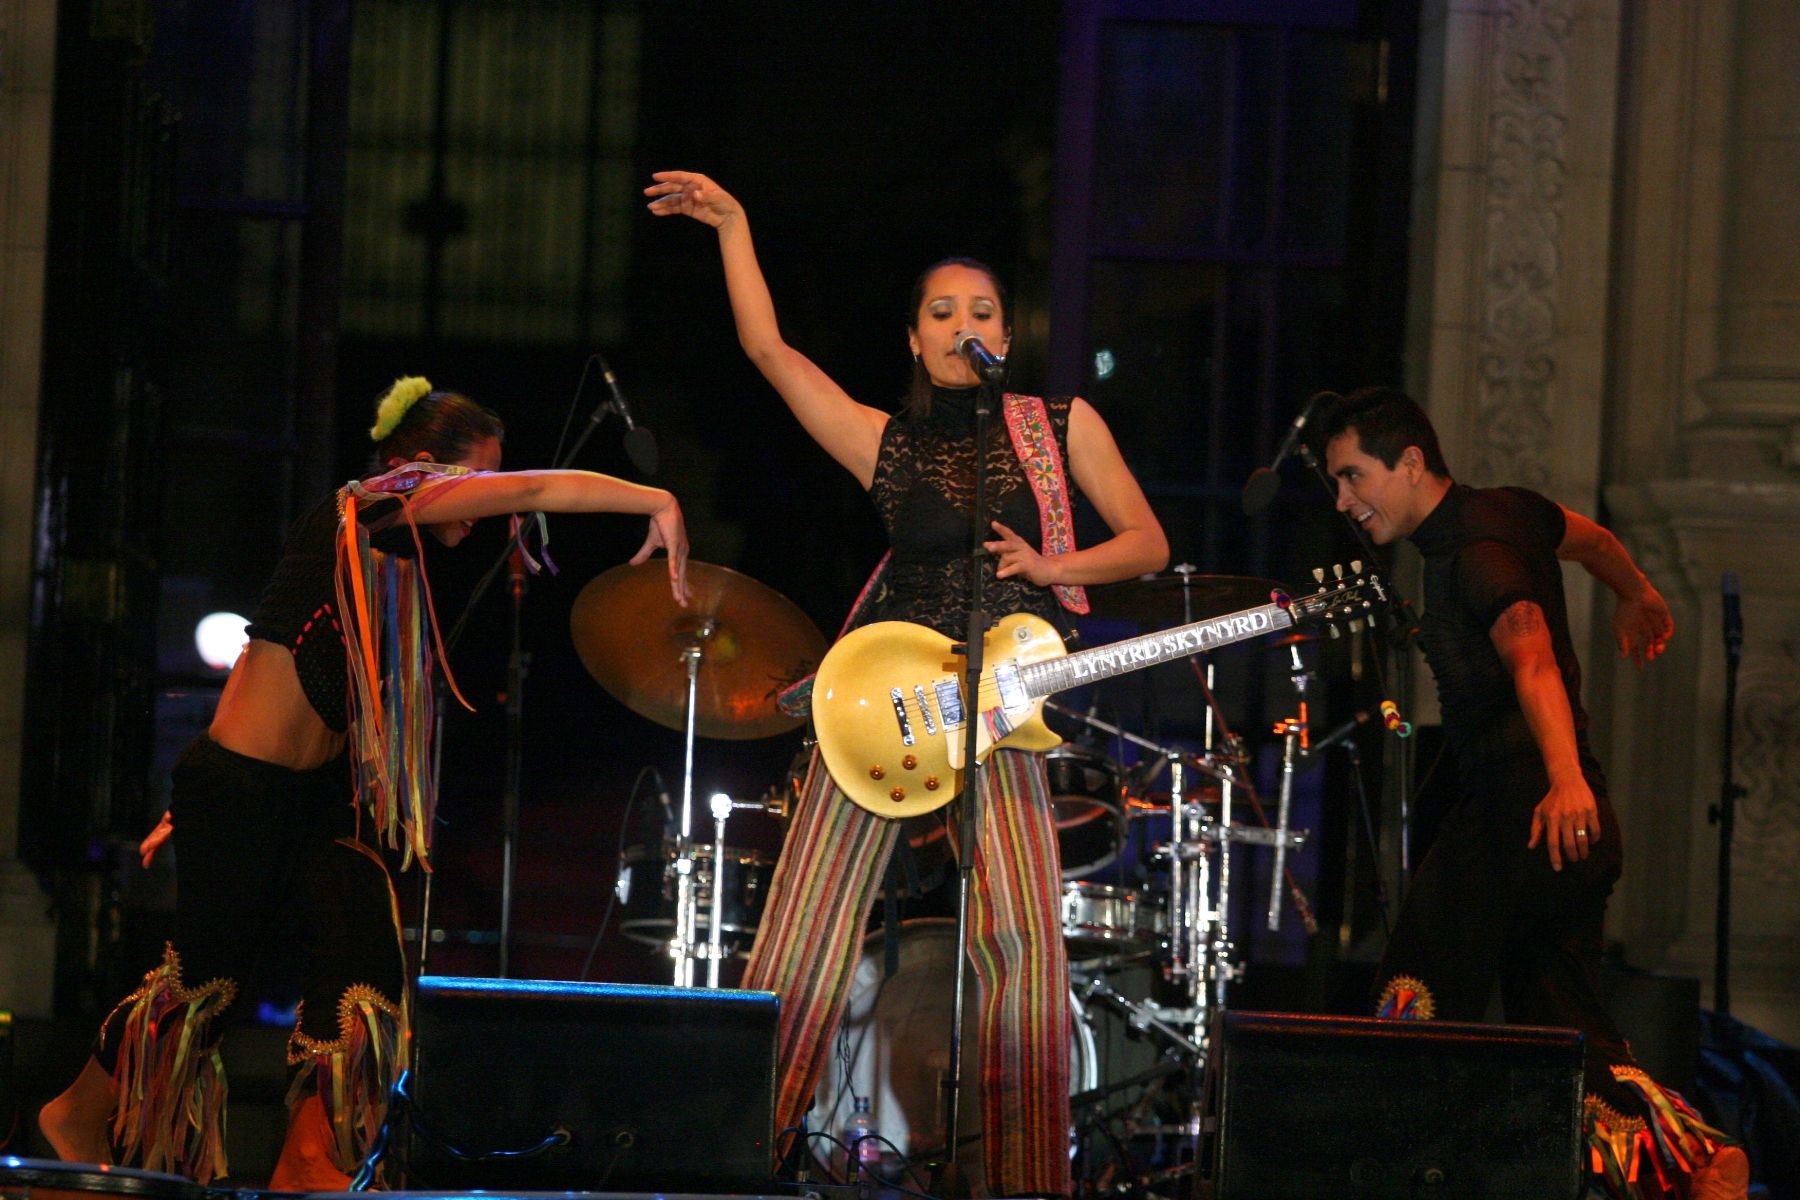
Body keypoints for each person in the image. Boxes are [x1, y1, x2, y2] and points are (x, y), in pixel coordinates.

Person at [647, 169, 1168, 1196]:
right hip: (885, 701)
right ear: (916, 339)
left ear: (1004, 338)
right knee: (804, 930)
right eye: (942, 312)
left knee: (1019, 943)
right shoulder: (883, 442)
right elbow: (770, 353)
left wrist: (1056, 568)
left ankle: (1021, 1178)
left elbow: (1147, 543)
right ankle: (733, 1158)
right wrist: (736, 225)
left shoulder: (1061, 429)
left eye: (981, 311)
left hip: (1002, 711)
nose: (962, 324)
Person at [38, 378, 691, 1190]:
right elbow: (530, 487)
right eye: (474, 483)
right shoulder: (368, 505)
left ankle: (311, 1155)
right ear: (420, 468)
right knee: (203, 984)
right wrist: (654, 498)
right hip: (242, 790)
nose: (481, 506)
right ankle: (75, 1109)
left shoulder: (387, 564)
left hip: (311, 801)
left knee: (363, 973)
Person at [1321, 387, 1747, 1200]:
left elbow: (1533, 657)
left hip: (1524, 814)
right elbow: (1594, 542)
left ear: (1411, 463)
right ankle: (1695, 1166)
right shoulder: (1510, 510)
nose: (1344, 501)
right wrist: (1638, 593)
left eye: (1353, 477)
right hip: (1565, 830)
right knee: (1566, 1031)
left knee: (1411, 1000)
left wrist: (1562, 780)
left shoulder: (1473, 552)